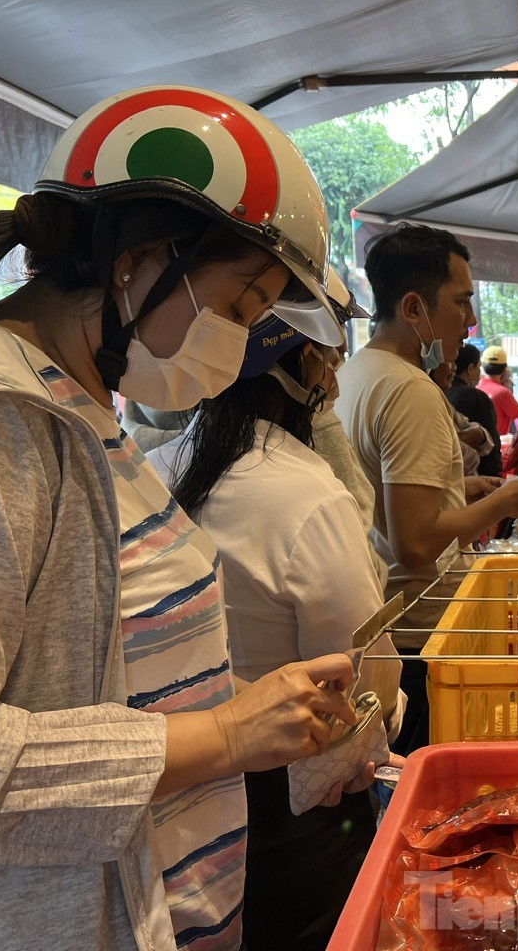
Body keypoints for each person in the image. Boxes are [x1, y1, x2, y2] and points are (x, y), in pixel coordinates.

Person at [0, 85, 362, 951]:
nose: (235, 342)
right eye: (236, 305)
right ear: (138, 260)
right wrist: (227, 733)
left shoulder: (82, 409)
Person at [146, 310, 403, 950]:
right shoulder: (306, 495)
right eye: (330, 358)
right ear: (305, 365)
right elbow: (366, 670)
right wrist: (388, 718)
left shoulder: (151, 469)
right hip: (291, 804)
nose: (336, 381)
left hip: (173, 790)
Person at [335, 223, 518, 754]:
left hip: (389, 626)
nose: (470, 320)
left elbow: (381, 496)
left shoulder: (356, 374)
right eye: (461, 301)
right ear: (414, 308)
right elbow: (416, 541)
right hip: (420, 633)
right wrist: (504, 501)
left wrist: (461, 487)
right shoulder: (411, 390)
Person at [445, 343, 502, 476]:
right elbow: (492, 450)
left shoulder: (440, 393)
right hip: (475, 479)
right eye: (478, 367)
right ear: (471, 368)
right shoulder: (476, 396)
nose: (479, 373)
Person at [431, 360, 495, 475]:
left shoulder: (443, 400)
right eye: (447, 360)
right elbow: (463, 458)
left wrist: (480, 433)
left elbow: (472, 428)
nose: (454, 367)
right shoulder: (474, 395)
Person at [478, 344, 518, 435]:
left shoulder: (476, 389)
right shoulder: (502, 393)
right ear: (504, 369)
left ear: (483, 366)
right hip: (498, 445)